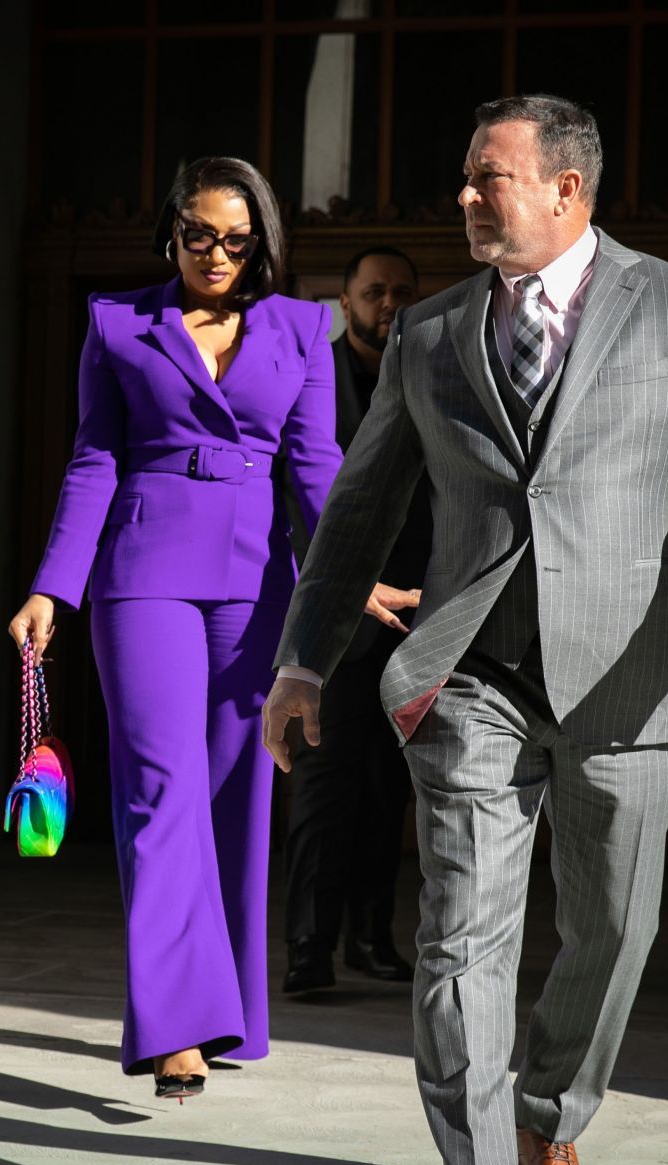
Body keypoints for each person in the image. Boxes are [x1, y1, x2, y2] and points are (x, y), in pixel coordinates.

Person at [263, 96, 668, 1165]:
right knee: (462, 936)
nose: (464, 199)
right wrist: (306, 660)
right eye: (464, 179)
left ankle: (550, 1119)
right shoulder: (427, 333)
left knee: (616, 924)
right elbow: (358, 513)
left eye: (488, 178)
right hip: (473, 672)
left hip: (627, 673)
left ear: (569, 189)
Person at [6, 157, 347, 1101]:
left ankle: (229, 1007)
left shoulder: (304, 328)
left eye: (237, 240)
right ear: (171, 232)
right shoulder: (118, 323)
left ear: (263, 244)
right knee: (161, 792)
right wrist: (52, 589)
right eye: (199, 234)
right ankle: (175, 1027)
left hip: (255, 585)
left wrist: (352, 572)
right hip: (143, 574)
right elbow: (93, 460)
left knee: (235, 795)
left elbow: (317, 467)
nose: (216, 254)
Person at [281, 245, 427, 994]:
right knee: (323, 785)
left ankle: (372, 937)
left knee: (387, 787)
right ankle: (309, 943)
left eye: (403, 291)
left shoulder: (432, 374)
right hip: (334, 618)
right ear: (346, 303)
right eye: (375, 292)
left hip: (412, 615)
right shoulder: (314, 377)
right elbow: (296, 497)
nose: (389, 303)